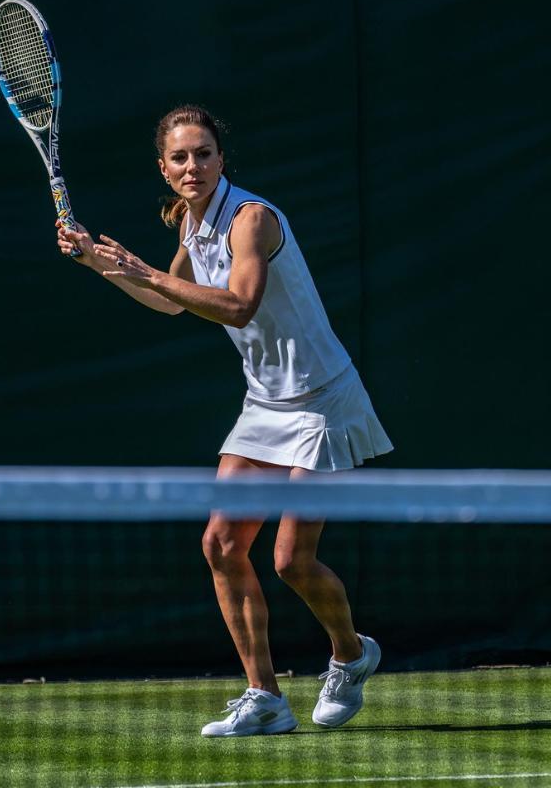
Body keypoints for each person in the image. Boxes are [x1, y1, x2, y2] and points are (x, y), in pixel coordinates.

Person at [56, 105, 393, 737]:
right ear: (164, 167)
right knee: (221, 544)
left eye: (203, 153)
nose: (193, 166)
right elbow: (168, 302)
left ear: (220, 159)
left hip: (321, 399)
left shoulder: (251, 219)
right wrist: (96, 263)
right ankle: (264, 698)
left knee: (292, 561)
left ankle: (351, 652)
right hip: (265, 403)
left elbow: (238, 307)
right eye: (180, 158)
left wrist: (143, 268)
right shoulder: (190, 221)